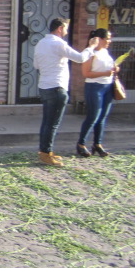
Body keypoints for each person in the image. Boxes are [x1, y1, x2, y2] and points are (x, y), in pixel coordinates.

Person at [33, 18, 99, 166]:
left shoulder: (40, 43)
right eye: (66, 28)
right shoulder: (59, 44)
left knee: (47, 122)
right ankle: (46, 153)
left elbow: (36, 65)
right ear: (59, 28)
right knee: (52, 124)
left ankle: (45, 151)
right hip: (57, 87)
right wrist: (91, 46)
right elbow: (81, 58)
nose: (67, 31)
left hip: (44, 86)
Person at [76, 28, 118, 158]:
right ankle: (81, 144)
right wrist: (105, 73)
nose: (109, 41)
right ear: (99, 39)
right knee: (93, 116)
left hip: (108, 85)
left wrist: (114, 69)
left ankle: (97, 143)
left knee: (102, 116)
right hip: (94, 86)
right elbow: (86, 73)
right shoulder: (90, 52)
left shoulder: (105, 51)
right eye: (107, 39)